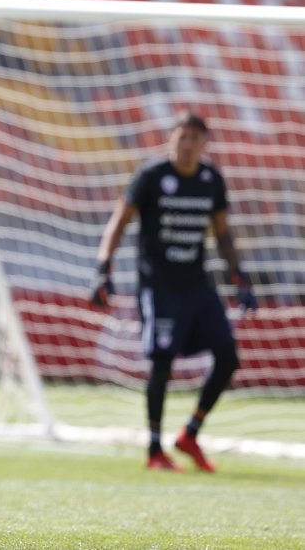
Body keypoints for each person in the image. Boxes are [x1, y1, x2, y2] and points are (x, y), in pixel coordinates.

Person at [91, 110, 257, 472]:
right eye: (182, 138)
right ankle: (154, 450)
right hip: (159, 287)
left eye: (195, 140)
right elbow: (120, 221)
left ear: (203, 145)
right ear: (172, 139)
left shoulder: (212, 179)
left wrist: (239, 275)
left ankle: (190, 434)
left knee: (228, 356)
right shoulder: (152, 176)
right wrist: (104, 266)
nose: (187, 146)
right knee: (162, 363)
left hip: (198, 286)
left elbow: (223, 233)